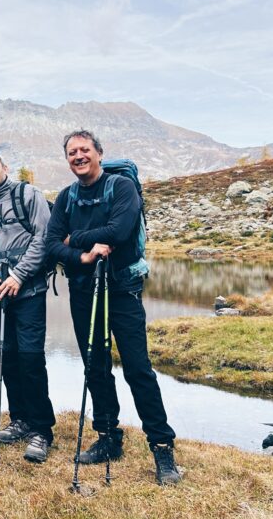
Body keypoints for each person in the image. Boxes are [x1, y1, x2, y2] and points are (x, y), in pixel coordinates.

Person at [45, 130, 181, 485]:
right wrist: (83, 254)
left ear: (99, 153)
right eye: (72, 152)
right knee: (96, 367)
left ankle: (162, 447)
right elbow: (50, 246)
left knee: (138, 367)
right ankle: (108, 438)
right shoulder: (66, 197)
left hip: (122, 289)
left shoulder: (122, 188)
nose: (78, 156)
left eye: (84, 150)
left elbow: (120, 232)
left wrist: (73, 239)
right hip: (83, 290)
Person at [0, 152, 56, 462]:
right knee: (7, 358)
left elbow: (43, 237)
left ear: (4, 168)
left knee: (31, 359)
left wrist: (19, 275)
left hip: (28, 291)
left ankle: (42, 430)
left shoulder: (27, 195)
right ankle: (20, 420)